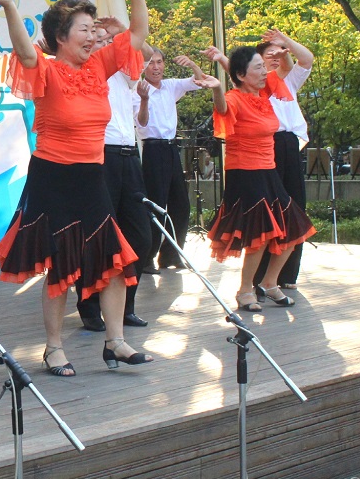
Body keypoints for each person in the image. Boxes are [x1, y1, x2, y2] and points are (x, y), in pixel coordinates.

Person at [0, 0, 154, 376]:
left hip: (93, 176)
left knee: (113, 261)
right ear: (60, 37)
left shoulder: (99, 66)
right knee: (60, 265)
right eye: (84, 30)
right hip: (53, 177)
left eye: (94, 29)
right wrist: (9, 8)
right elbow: (21, 48)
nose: (93, 37)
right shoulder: (47, 70)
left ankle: (117, 342)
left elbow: (138, 35)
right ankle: (53, 348)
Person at [206, 46, 317, 311]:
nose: (264, 72)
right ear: (243, 75)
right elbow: (222, 109)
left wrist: (225, 60)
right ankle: (245, 290)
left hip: (268, 170)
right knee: (261, 234)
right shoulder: (233, 98)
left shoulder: (265, 93)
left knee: (294, 228)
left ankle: (269, 282)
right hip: (245, 173)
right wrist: (216, 89)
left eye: (262, 66)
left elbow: (295, 65)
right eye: (258, 67)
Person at [75, 20, 155, 332]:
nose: (96, 40)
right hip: (99, 156)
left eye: (100, 36)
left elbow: (145, 51)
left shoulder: (122, 68)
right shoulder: (84, 70)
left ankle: (126, 305)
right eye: (89, 36)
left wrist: (122, 28)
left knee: (139, 236)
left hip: (128, 156)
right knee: (97, 235)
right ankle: (89, 303)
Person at [135, 50, 210, 272]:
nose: (156, 67)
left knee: (181, 204)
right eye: (150, 63)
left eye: (159, 62)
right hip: (152, 149)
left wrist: (193, 64)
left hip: (171, 147)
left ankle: (170, 254)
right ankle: (147, 256)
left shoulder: (170, 85)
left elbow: (201, 81)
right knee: (156, 203)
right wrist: (144, 100)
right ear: (143, 67)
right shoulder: (137, 90)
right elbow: (142, 123)